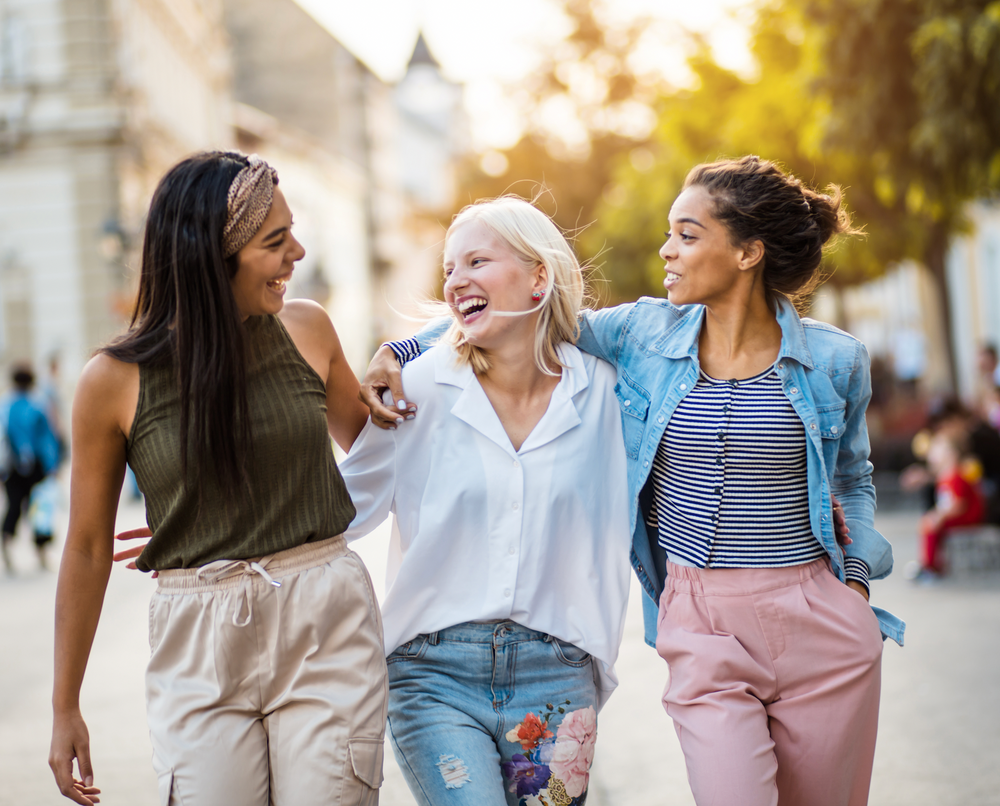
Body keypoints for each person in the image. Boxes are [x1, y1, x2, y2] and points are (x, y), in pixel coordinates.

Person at [364, 156, 905, 806]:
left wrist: (855, 584)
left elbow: (853, 477)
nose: (665, 249)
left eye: (687, 233)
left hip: (820, 620)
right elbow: (521, 313)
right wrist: (400, 350)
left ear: (747, 252)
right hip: (702, 624)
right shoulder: (643, 336)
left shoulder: (836, 359)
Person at [49, 152, 387, 806]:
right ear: (211, 254)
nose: (298, 253)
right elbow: (88, 546)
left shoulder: (308, 330)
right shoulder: (111, 381)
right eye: (275, 241)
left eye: (293, 232)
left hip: (323, 621)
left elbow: (386, 456)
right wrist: (65, 706)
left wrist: (399, 356)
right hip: (195, 641)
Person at [335, 197, 632, 806]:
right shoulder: (416, 390)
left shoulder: (605, 394)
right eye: (448, 269)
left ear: (538, 277)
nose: (455, 281)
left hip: (559, 676)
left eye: (476, 260)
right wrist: (217, 529)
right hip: (433, 674)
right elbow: (338, 508)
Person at [1, 363, 62, 573]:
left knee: (14, 507)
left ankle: (7, 546)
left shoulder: (6, 405)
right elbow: (48, 438)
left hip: (12, 468)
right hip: (37, 466)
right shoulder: (39, 403)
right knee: (39, 510)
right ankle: (41, 554)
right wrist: (53, 466)